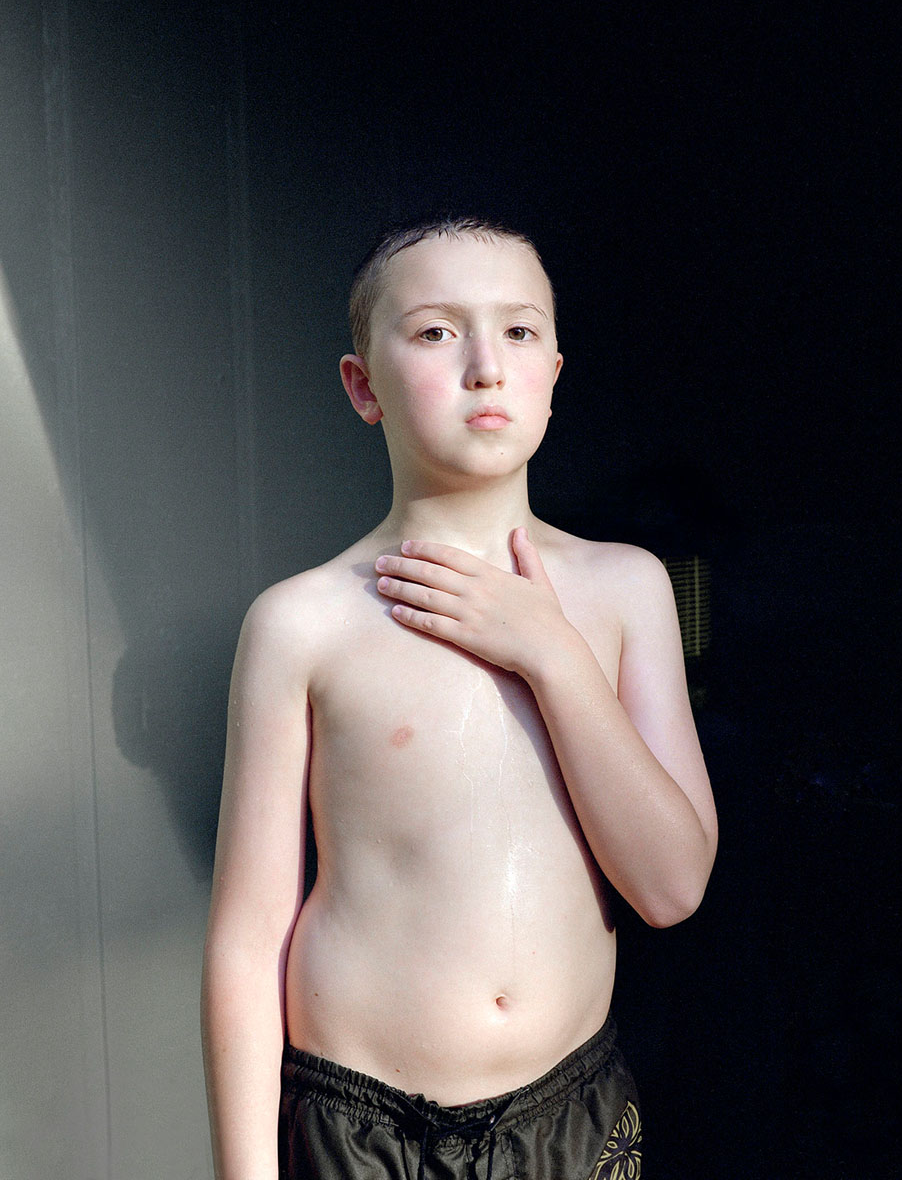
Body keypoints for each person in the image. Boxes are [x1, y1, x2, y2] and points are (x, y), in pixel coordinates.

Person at [201, 215, 717, 1179]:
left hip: (570, 1114)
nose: (486, 367)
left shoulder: (627, 587)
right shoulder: (302, 622)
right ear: (364, 386)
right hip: (359, 1124)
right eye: (437, 331)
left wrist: (553, 656)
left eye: (518, 331)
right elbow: (247, 937)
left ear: (553, 375)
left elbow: (672, 887)